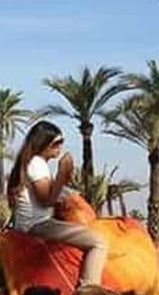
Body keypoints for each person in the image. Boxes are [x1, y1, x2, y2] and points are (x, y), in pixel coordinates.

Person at [7, 120, 108, 286]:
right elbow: (46, 199)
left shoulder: (31, 164)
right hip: (38, 225)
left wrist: (65, 179)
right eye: (55, 144)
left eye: (60, 143)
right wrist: (61, 173)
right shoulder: (37, 164)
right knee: (98, 242)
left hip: (32, 224)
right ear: (43, 144)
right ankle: (89, 292)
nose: (59, 148)